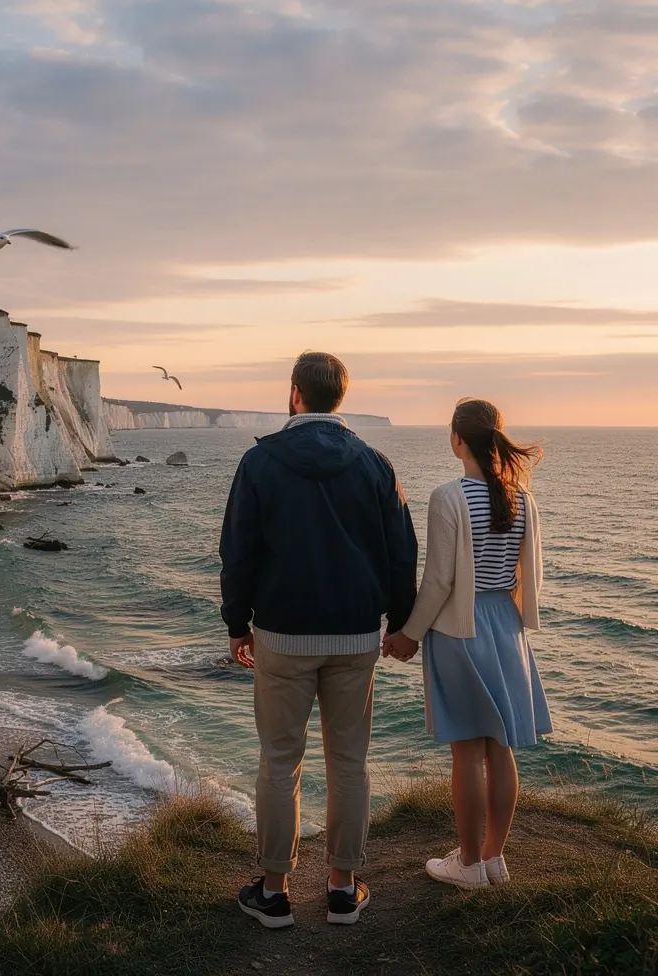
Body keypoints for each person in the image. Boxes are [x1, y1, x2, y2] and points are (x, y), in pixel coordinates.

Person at [220, 351, 418, 928]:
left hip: (281, 633)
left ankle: (275, 891)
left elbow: (239, 552)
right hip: (356, 634)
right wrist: (400, 622)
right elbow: (400, 554)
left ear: (294, 394)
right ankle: (341, 887)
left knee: (281, 761)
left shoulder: (260, 462)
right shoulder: (375, 464)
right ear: (341, 398)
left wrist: (237, 624)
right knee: (349, 761)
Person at [383, 398, 552, 889]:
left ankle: (469, 864)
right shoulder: (521, 497)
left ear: (457, 438)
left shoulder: (449, 496)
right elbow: (526, 575)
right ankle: (493, 858)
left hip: (462, 627)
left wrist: (407, 636)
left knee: (467, 753)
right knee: (500, 748)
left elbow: (437, 583)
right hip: (506, 625)